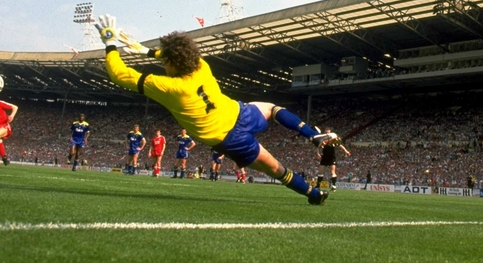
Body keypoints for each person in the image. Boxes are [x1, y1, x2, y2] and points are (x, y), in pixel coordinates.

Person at [95, 15, 339, 205]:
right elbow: (178, 57)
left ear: (170, 62)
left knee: (276, 169)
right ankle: (311, 135)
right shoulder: (201, 64)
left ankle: (312, 193)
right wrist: (146, 50)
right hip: (239, 113)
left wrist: (110, 43)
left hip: (229, 138)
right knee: (274, 109)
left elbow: (120, 74)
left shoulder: (168, 86)